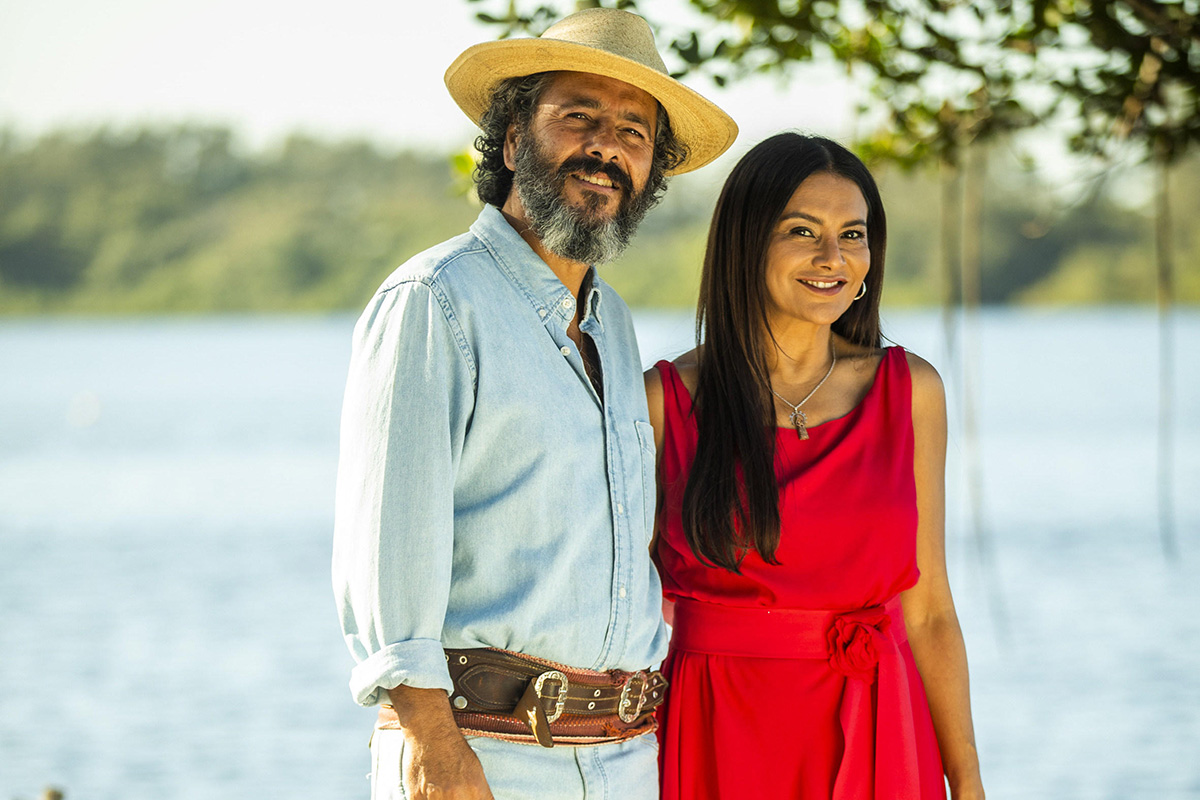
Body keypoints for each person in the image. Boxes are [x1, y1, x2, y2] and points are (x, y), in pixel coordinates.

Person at [331, 8, 737, 800]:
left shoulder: (612, 325)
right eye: (578, 117)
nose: (606, 147)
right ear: (513, 139)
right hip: (482, 756)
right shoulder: (435, 300)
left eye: (633, 132)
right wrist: (431, 743)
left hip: (624, 758)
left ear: (652, 171)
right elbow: (383, 547)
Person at [645, 133, 985, 799]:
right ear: (747, 242)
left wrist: (966, 781)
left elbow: (929, 612)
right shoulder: (664, 402)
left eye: (852, 234)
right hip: (714, 730)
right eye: (803, 230)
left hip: (880, 727)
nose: (834, 257)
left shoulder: (911, 392)